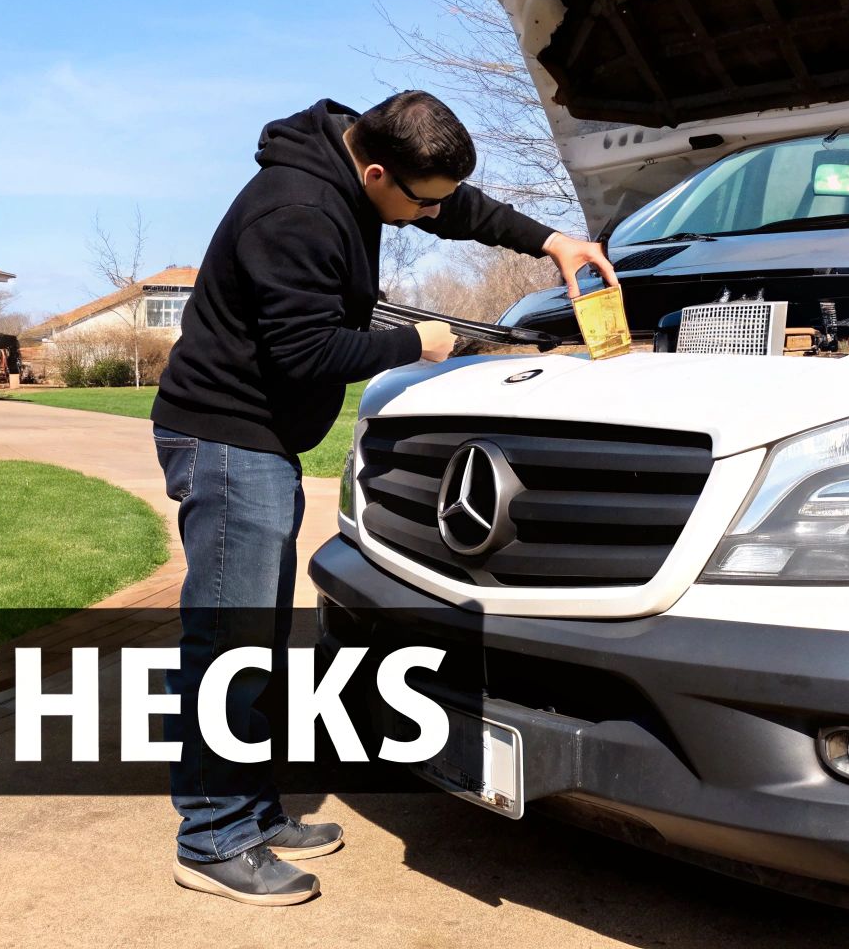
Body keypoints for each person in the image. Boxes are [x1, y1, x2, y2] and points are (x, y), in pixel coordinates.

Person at [151, 91, 616, 906]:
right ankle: (213, 837)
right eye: (421, 202)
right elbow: (303, 353)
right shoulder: (294, 212)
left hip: (257, 439)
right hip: (226, 439)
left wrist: (550, 240)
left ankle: (249, 813)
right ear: (376, 175)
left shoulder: (360, 163)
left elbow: (455, 205)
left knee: (256, 637)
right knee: (230, 642)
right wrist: (414, 344)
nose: (432, 216)